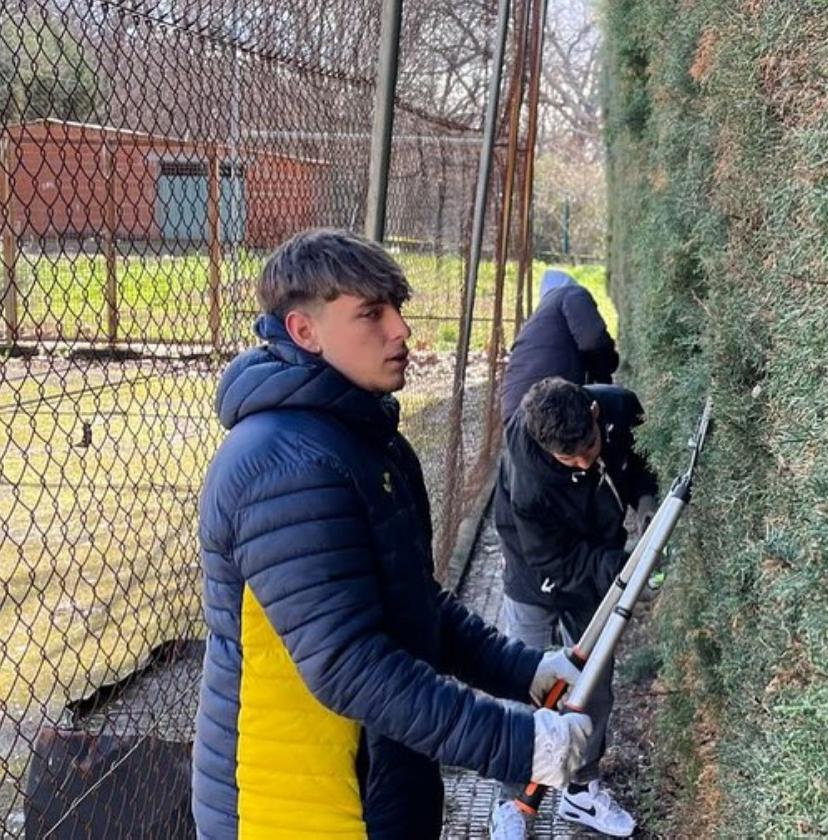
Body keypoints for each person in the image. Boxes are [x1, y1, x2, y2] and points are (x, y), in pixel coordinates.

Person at [191, 229, 592, 839]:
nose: (400, 329)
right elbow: (349, 663)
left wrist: (527, 673)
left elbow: (411, 600)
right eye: (371, 314)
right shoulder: (286, 465)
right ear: (305, 332)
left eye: (396, 308)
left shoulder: (361, 440)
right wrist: (520, 743)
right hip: (298, 806)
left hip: (373, 783)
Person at [489, 377, 658, 839]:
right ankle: (513, 803)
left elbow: (642, 460)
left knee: (595, 680)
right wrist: (624, 572)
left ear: (594, 415)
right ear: (547, 452)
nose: (585, 459)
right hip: (535, 574)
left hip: (594, 563)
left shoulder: (620, 409)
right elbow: (554, 560)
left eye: (589, 444)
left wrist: (646, 503)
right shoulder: (529, 484)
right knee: (526, 682)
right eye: (571, 458)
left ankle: (581, 792)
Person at [499, 268, 619, 424]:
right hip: (548, 408)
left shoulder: (538, 322)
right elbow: (593, 340)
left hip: (514, 423)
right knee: (622, 404)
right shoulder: (570, 293)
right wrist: (606, 372)